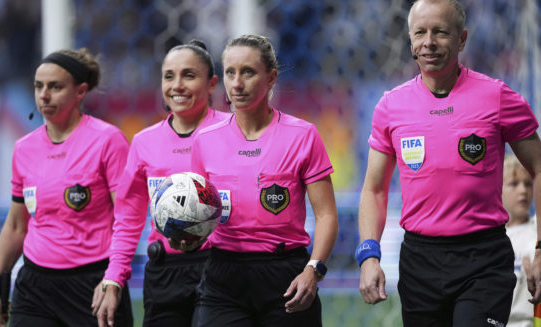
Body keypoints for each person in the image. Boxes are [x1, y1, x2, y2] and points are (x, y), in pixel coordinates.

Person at [356, 0, 541, 325]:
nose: (429, 42)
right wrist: (369, 255)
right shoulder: (390, 107)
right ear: (410, 40)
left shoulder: (497, 97)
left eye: (440, 32)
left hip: (483, 258)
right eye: (420, 33)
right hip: (419, 261)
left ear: (462, 39)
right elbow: (374, 190)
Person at [189, 34, 339, 327]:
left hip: (286, 274)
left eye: (248, 72)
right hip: (223, 276)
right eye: (230, 73)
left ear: (271, 78)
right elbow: (198, 213)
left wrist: (313, 270)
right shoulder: (204, 140)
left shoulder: (303, 135)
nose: (237, 83)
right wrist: (187, 238)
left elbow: (326, 214)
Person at [0, 48, 133, 327]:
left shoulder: (108, 140)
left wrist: (114, 277)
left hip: (93, 283)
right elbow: (17, 225)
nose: (44, 95)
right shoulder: (24, 148)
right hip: (35, 286)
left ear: (80, 91)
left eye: (55, 86)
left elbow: (127, 219)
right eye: (39, 86)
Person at [94, 40, 229, 327]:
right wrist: (113, 277)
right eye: (169, 76)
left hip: (222, 269)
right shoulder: (145, 142)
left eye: (189, 76)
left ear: (212, 84)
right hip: (164, 274)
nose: (177, 85)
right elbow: (128, 219)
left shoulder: (232, 133)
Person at [504, 154, 536, 327]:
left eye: (529, 184)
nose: (523, 190)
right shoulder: (487, 237)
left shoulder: (537, 231)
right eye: (514, 184)